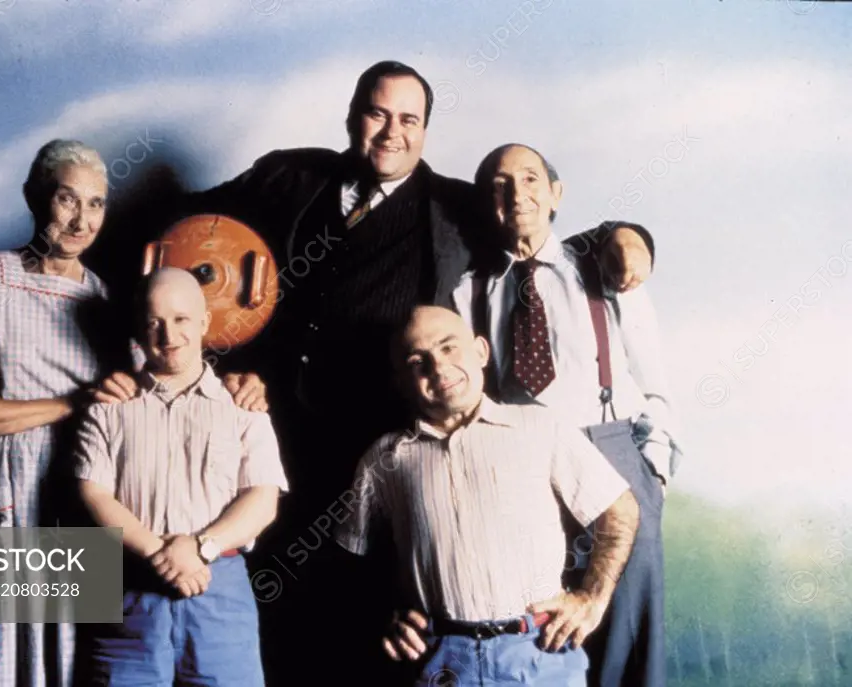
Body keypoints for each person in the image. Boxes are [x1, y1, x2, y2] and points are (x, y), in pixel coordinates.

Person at [98, 61, 657, 686]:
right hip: (262, 437)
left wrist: (621, 235)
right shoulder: (289, 174)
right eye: (377, 113)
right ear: (352, 115)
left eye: (409, 119)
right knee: (261, 618)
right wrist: (168, 362)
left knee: (366, 630)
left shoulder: (452, 206)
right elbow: (176, 237)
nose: (391, 131)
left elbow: (532, 228)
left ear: (425, 131)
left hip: (378, 452)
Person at [389, 143, 681, 686]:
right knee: (539, 632)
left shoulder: (605, 271)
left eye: (528, 180)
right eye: (499, 186)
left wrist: (653, 477)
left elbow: (655, 383)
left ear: (555, 195)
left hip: (610, 455)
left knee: (624, 641)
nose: (516, 194)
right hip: (519, 472)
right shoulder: (466, 290)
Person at [335, 305, 640, 687]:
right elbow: (348, 560)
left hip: (541, 655)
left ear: (481, 350)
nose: (439, 368)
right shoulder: (383, 459)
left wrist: (592, 599)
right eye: (418, 361)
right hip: (439, 663)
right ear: (400, 380)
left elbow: (620, 509)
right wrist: (383, 615)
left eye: (449, 348)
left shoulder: (540, 425)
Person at [0, 139, 125, 687]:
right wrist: (71, 404)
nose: (81, 220)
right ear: (34, 198)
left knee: (71, 659)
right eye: (68, 200)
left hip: (81, 489)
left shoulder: (108, 302)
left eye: (96, 205)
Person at [73, 267, 288, 686]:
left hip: (218, 586)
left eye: (182, 319)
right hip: (126, 585)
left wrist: (200, 548)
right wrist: (162, 554)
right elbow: (93, 492)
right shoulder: (107, 407)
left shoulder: (243, 406)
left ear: (206, 321)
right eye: (154, 323)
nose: (168, 335)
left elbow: (263, 498)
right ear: (139, 329)